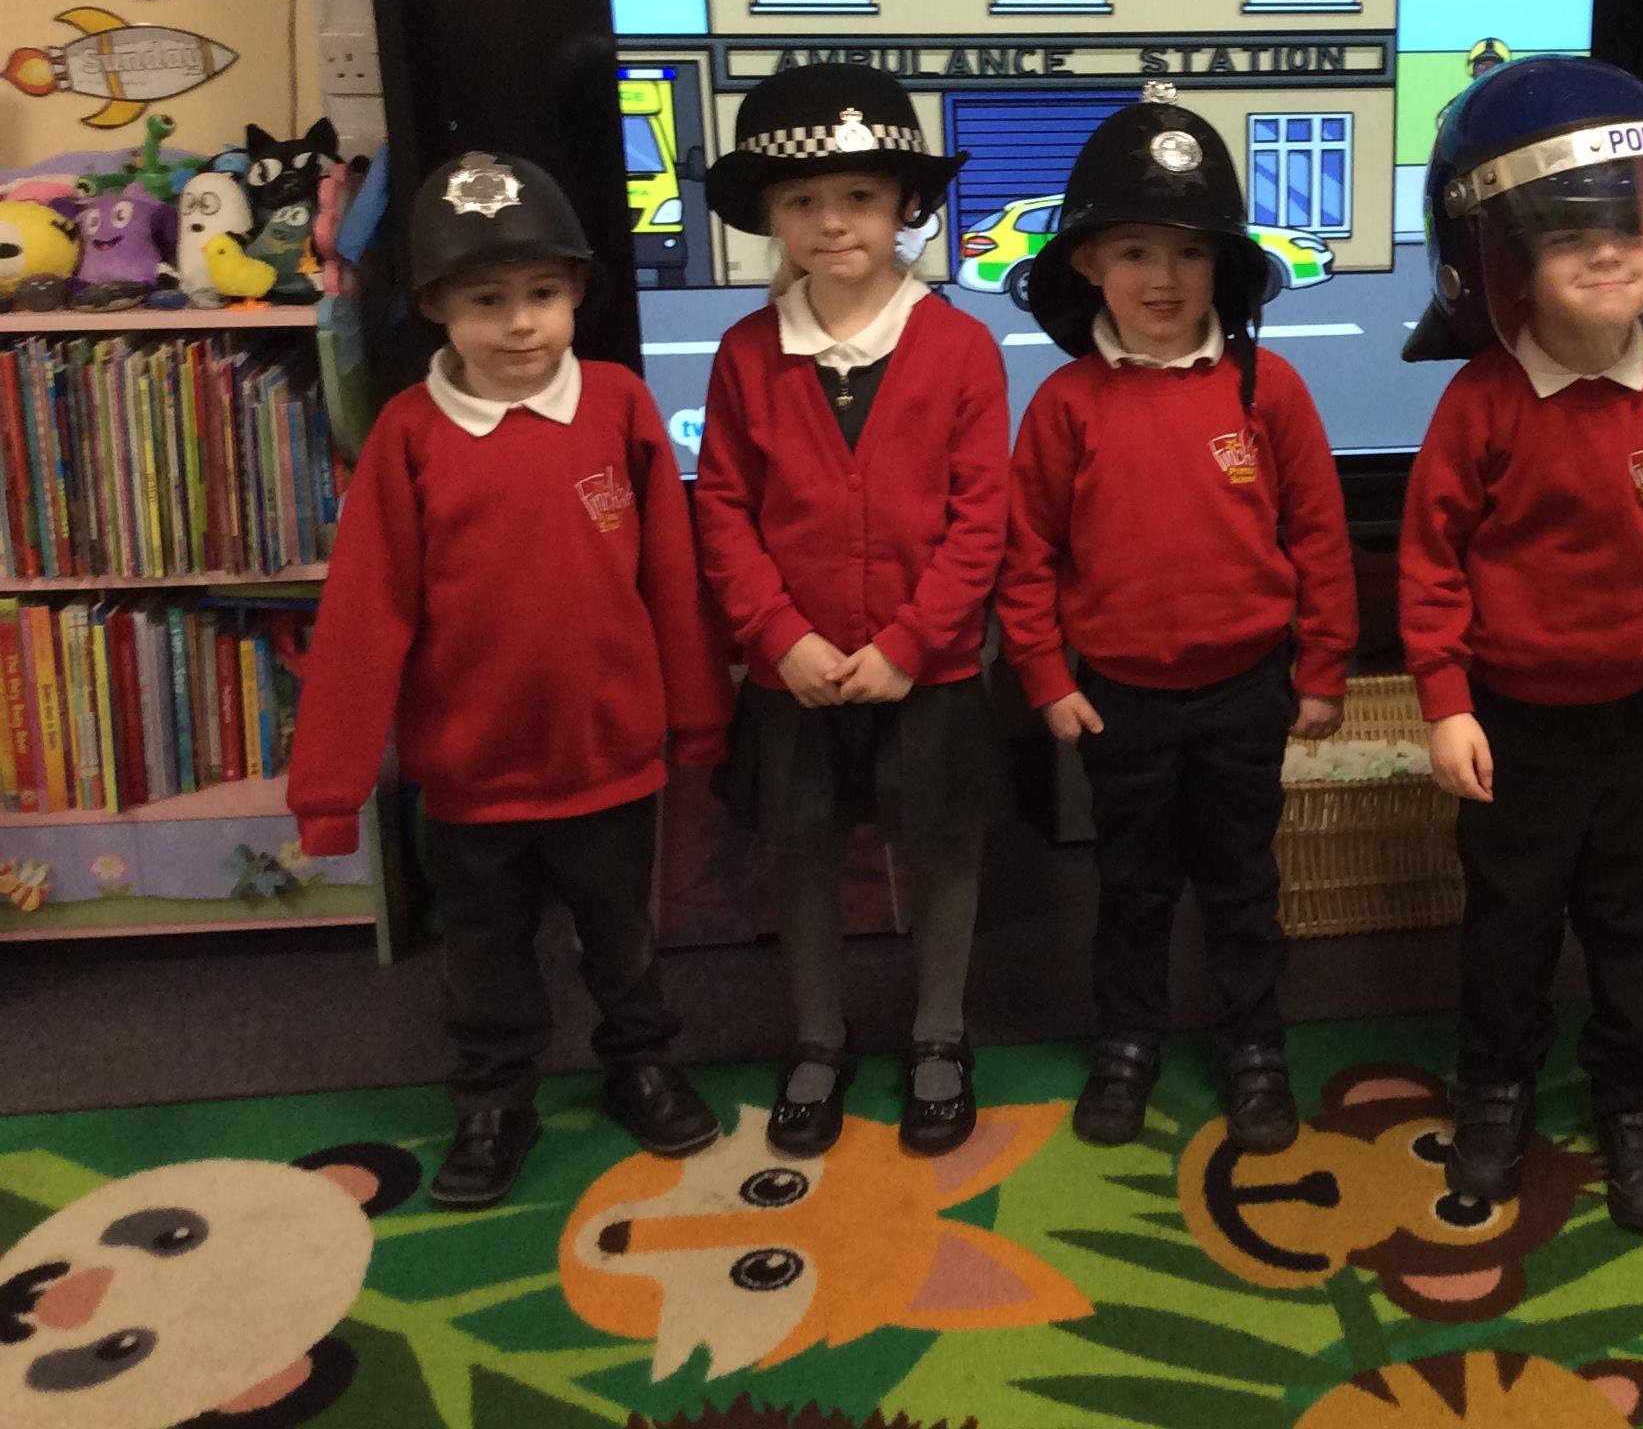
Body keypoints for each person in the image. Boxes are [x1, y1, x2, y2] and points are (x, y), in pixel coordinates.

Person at [289, 150, 733, 1208]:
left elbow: (672, 579)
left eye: (542, 293)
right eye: (487, 300)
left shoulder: (620, 405)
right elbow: (364, 615)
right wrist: (331, 789)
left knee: (624, 941)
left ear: (577, 292)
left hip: (609, 761)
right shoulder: (408, 436)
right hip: (473, 778)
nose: (521, 323)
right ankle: (494, 1101)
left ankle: (641, 1064)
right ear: (435, 306)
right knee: (484, 958)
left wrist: (699, 718)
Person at [1397, 55, 1643, 1235]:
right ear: (1502, 260)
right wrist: (1446, 699)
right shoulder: (1483, 403)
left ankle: (1634, 1092)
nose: (1608, 256)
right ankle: (1497, 1084)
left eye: (1630, 231)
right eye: (1569, 235)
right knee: (1509, 923)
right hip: (1517, 725)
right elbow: (1431, 561)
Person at [999, 84, 1357, 1156]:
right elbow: (1028, 556)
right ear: (1087, 264)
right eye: (1135, 252)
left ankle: (1255, 1045)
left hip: (1248, 692)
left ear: (1225, 267)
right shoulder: (1065, 405)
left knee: (1244, 883)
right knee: (1133, 884)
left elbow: (1321, 538)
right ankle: (1127, 1041)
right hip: (1120, 702)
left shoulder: (1268, 390)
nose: (1163, 278)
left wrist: (1323, 670)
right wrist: (1045, 676)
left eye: (1190, 253)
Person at [694, 61, 1012, 1163]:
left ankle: (939, 1034)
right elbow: (723, 509)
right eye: (804, 199)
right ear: (770, 216)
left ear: (905, 205)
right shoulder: (744, 355)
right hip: (798, 673)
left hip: (928, 672)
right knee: (804, 851)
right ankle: (818, 1039)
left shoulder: (962, 349)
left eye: (861, 196)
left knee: (942, 849)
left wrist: (911, 644)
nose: (833, 222)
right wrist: (778, 636)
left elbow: (981, 518)